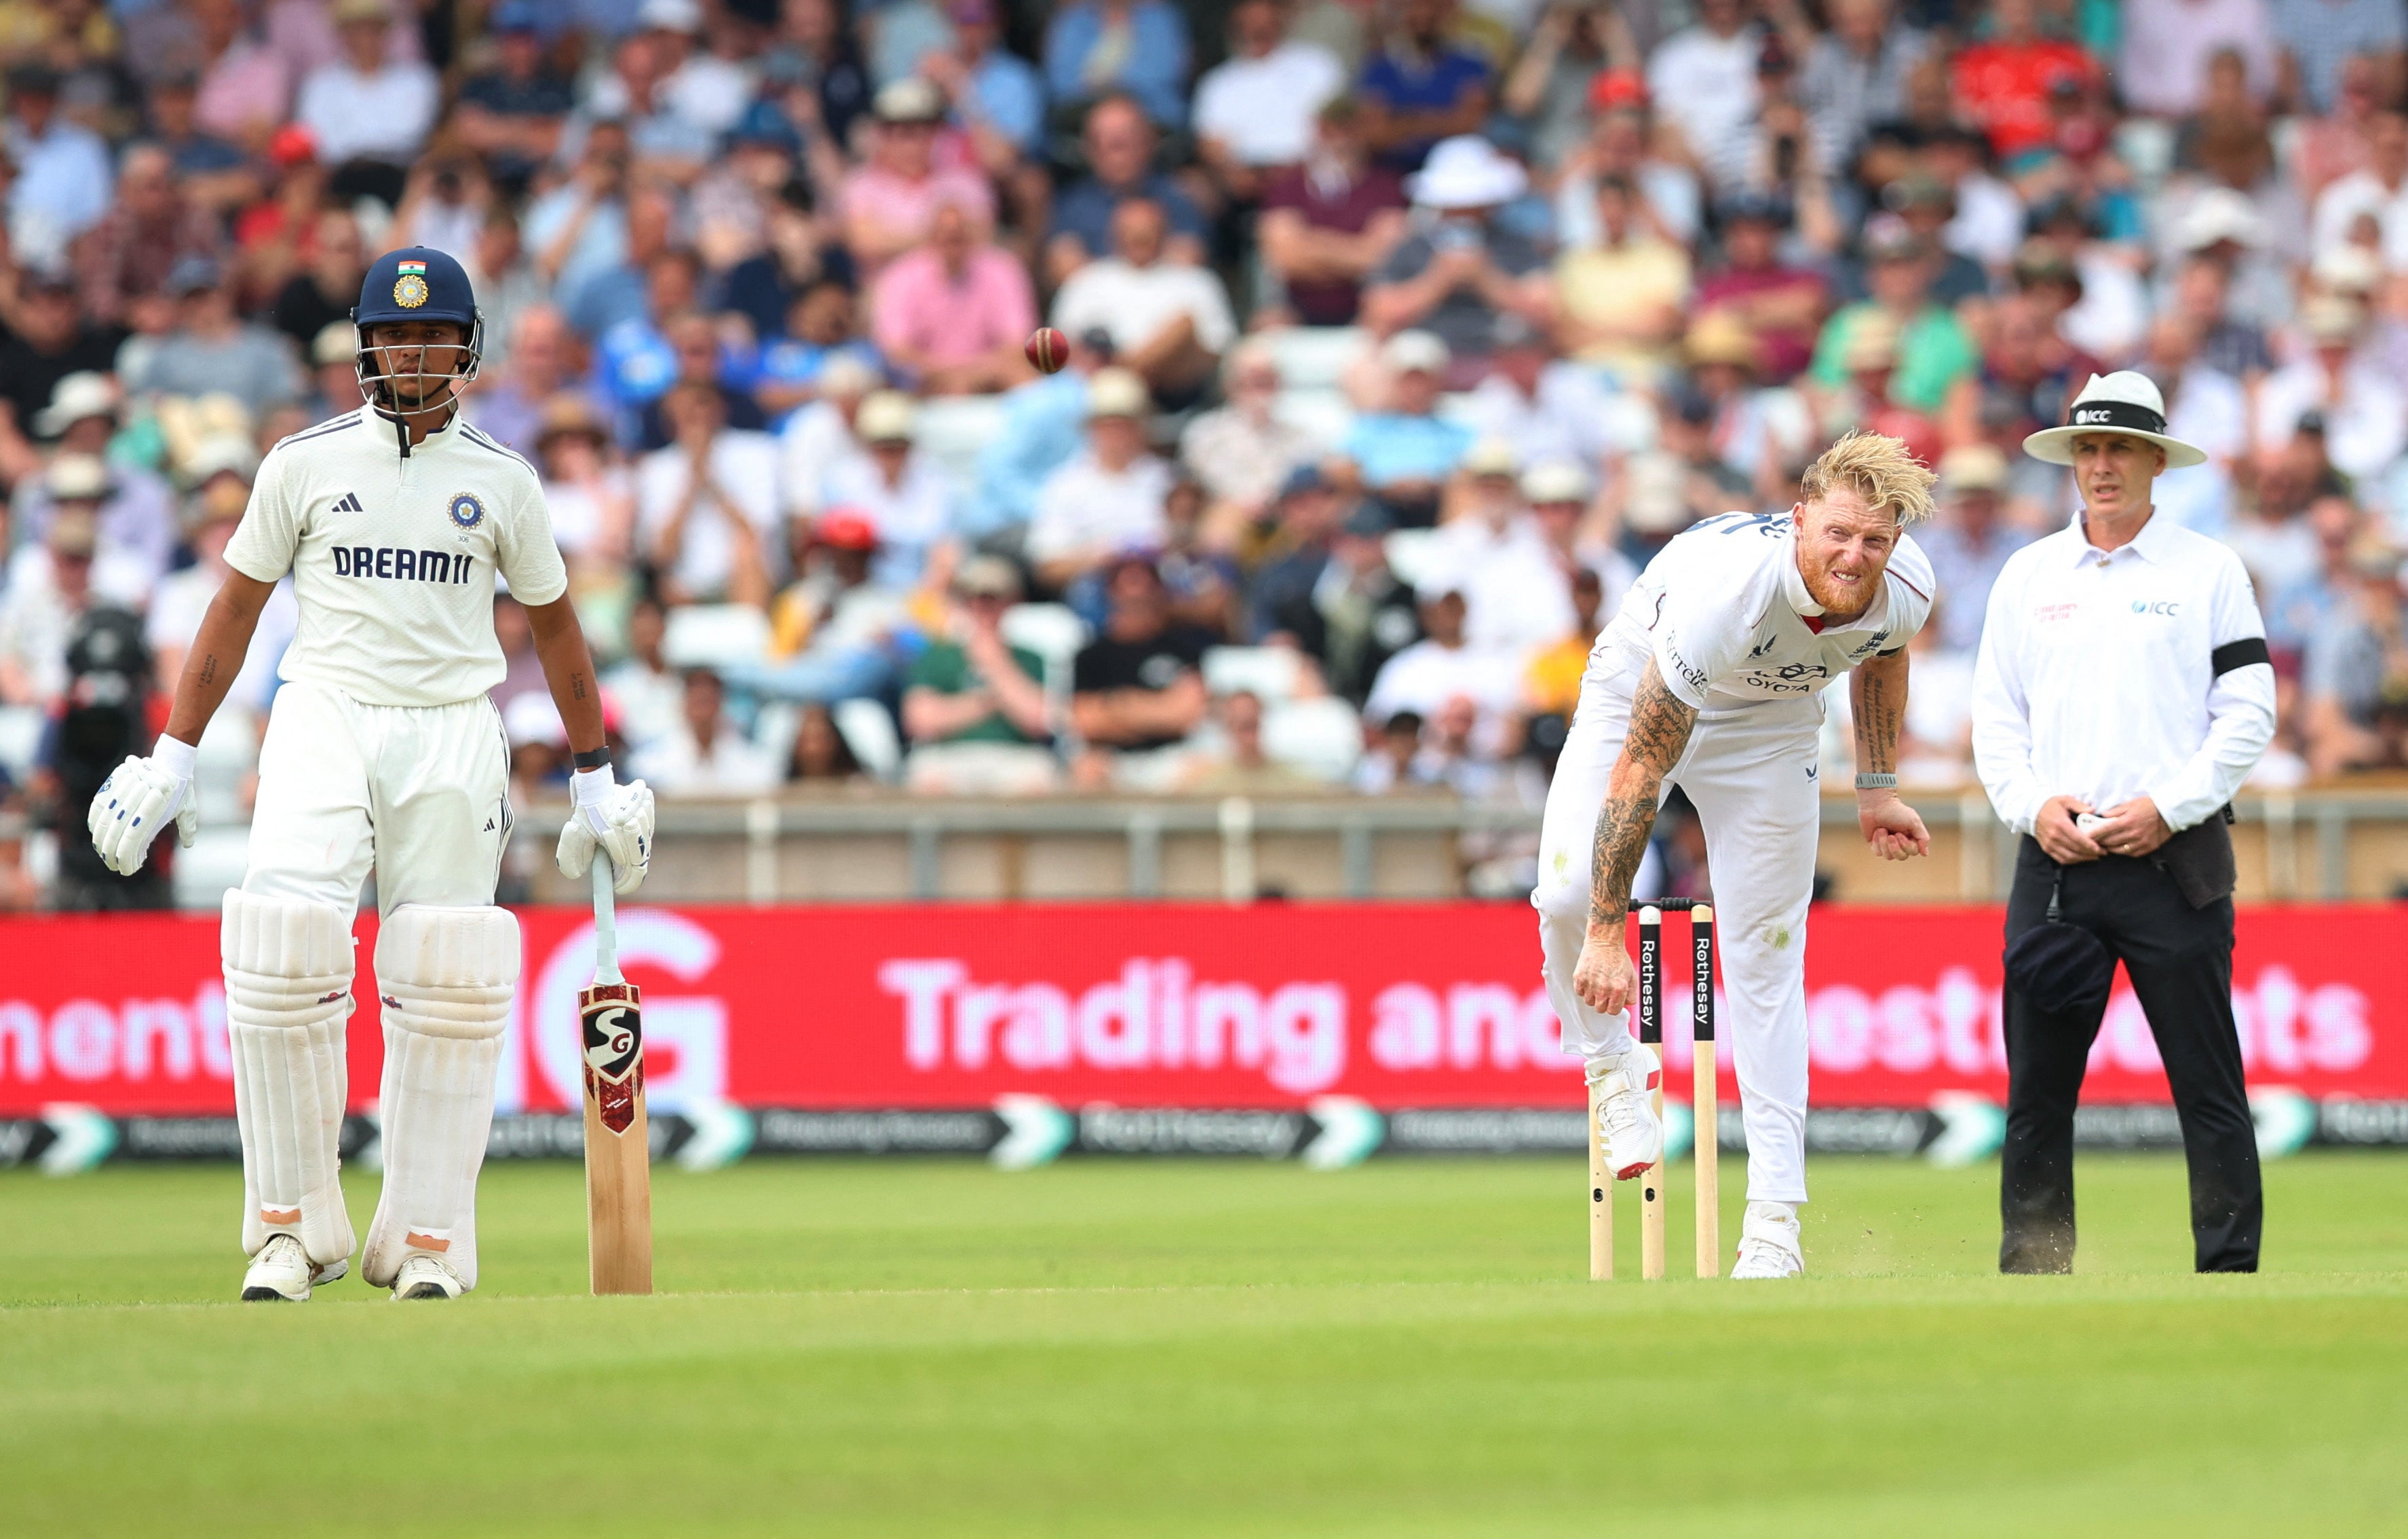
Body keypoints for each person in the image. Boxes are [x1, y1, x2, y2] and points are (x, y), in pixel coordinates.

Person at [81, 247, 654, 1304]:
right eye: (391, 335)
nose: (408, 351)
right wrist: (172, 753)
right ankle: (293, 1231)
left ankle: (425, 1238)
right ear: (364, 344)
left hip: (452, 726)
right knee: (282, 948)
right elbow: (235, 612)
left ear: (466, 347)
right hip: (323, 714)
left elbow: (560, 630)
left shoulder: (503, 480)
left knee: (448, 973)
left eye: (430, 333)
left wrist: (593, 776)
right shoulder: (301, 463)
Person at [1539, 432, 1939, 1280]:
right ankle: (1611, 1067)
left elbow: (1883, 657)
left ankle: (1773, 1228)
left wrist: (1874, 786)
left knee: (1766, 956)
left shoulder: (1906, 590)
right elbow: (1642, 770)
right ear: (1800, 519)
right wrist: (1610, 934)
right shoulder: (1728, 593)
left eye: (1874, 540)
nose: (1854, 554)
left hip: (1772, 729)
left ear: (1896, 542)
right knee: (1567, 897)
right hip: (1639, 696)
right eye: (1837, 533)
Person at [1972, 371, 2278, 1274]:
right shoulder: (2028, 574)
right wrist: (2033, 807)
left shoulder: (2208, 568)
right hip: (2056, 861)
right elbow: (1995, 718)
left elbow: (2248, 711)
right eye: (2087, 450)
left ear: (2154, 460)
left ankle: (2228, 1272)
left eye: (2119, 449)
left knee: (2206, 1083)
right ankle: (2034, 1265)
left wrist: (2169, 808)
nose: (2101, 467)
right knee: (2036, 1090)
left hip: (2171, 861)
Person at [902, 555, 1059, 793]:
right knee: (928, 780)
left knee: (1037, 781)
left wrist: (995, 664)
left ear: (1011, 602)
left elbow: (1040, 720)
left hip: (1015, 757)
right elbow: (920, 721)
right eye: (973, 598)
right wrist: (993, 701)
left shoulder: (1031, 657)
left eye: (991, 598)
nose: (981, 606)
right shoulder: (938, 654)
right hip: (949, 756)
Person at [1069, 556, 1212, 789]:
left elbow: (1187, 715)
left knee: (1202, 769)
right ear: (1111, 593)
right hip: (1113, 757)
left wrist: (1117, 706)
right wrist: (1161, 708)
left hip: (1170, 755)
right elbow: (1086, 721)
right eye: (1127, 588)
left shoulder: (1184, 648)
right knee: (1087, 769)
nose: (1137, 596)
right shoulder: (1091, 656)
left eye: (1145, 587)